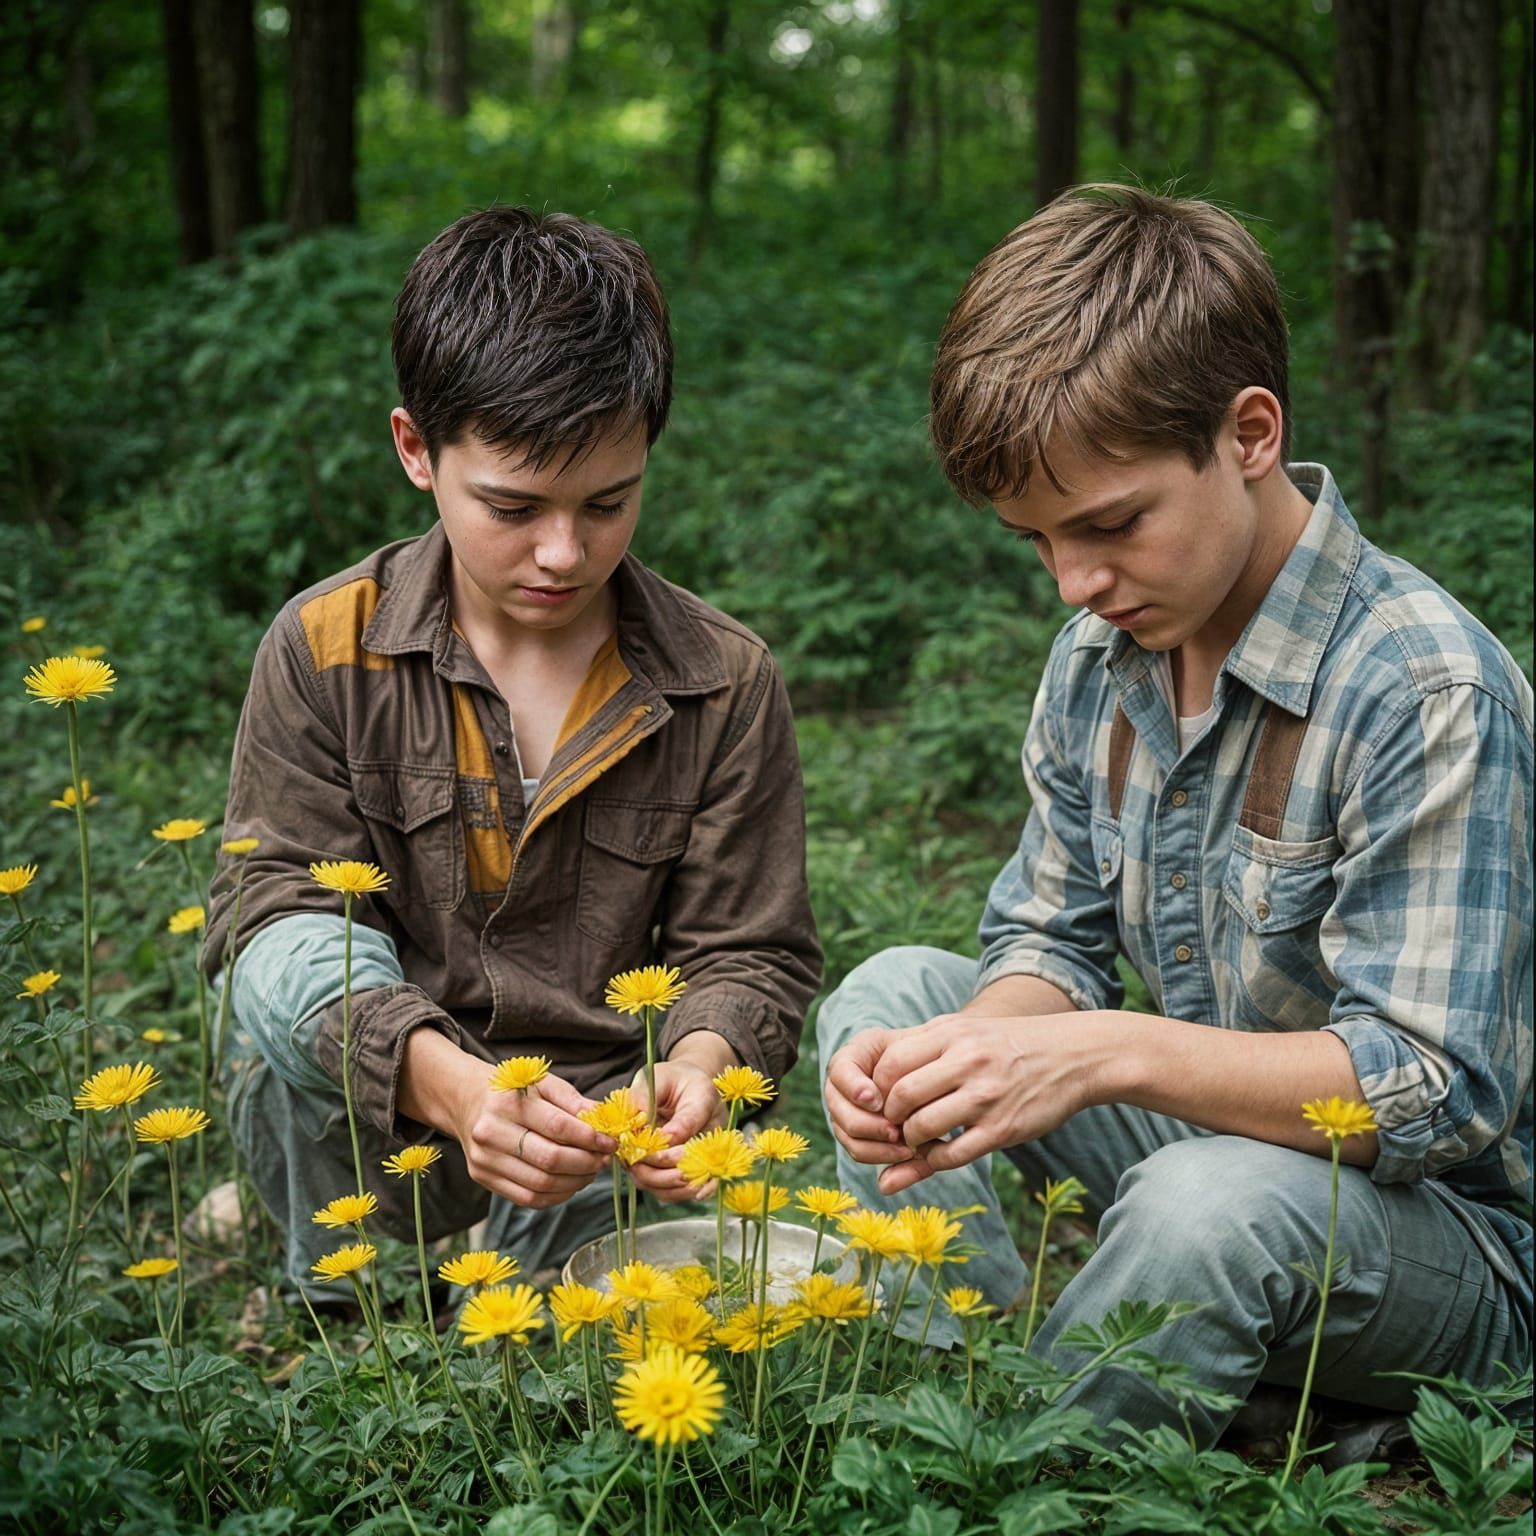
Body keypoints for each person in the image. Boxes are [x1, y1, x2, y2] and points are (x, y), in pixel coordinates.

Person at [818, 185, 1532, 1445]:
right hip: (1218, 1150)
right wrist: (973, 1062)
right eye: (1036, 542)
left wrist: (1100, 1053)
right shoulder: (1100, 658)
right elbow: (1047, 938)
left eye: (1109, 525)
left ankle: (1029, 1478)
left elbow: (1433, 1089)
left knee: (1208, 1208)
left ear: (1248, 432)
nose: (1078, 582)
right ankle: (952, 1402)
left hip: (1458, 1239)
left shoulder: (1424, 689)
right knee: (891, 1005)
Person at [206, 207, 821, 1300]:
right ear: (415, 451)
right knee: (275, 979)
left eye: (609, 502)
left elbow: (753, 951)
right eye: (512, 505)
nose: (562, 551)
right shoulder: (322, 649)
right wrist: (454, 1092)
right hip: (378, 1124)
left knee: (602, 1360)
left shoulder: (724, 681)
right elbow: (273, 921)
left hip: (597, 1149)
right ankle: (349, 1297)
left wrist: (697, 1070)